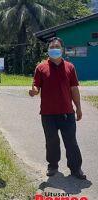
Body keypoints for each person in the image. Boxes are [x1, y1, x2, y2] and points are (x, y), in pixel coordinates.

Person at [29, 37, 86, 179]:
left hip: (67, 112)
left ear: (62, 49)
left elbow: (74, 89)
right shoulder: (41, 68)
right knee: (51, 141)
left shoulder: (70, 67)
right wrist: (34, 91)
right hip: (48, 114)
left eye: (57, 46)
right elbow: (36, 85)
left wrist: (78, 108)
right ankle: (53, 165)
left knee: (71, 141)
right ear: (48, 50)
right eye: (52, 47)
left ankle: (76, 168)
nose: (54, 49)